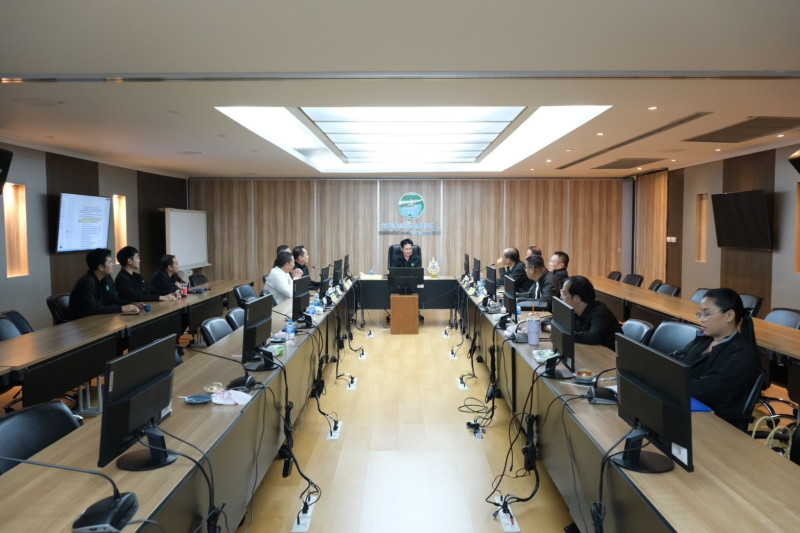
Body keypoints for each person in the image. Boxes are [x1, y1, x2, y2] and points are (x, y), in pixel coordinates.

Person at [671, 288, 760, 429]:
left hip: (713, 422)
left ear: (729, 316)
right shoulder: (705, 339)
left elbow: (705, 389)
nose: (701, 319)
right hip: (684, 404)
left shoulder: (741, 354)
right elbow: (677, 359)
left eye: (707, 314)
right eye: (700, 313)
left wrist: (667, 378)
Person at [68, 248, 140, 319]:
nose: (113, 265)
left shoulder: (107, 278)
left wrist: (132, 304)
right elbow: (93, 309)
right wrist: (122, 308)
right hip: (81, 321)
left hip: (99, 318)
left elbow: (114, 299)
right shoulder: (86, 282)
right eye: (110, 262)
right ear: (101, 267)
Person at [558, 275, 621, 351]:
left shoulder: (600, 312)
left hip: (609, 355)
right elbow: (557, 320)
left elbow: (592, 337)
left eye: (564, 294)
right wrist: (548, 326)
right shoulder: (574, 310)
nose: (561, 298)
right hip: (591, 350)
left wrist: (564, 333)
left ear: (576, 298)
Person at [115, 246, 179, 302]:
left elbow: (152, 290)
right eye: (137, 258)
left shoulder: (137, 276)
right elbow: (135, 297)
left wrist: (170, 294)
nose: (139, 260)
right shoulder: (121, 279)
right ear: (129, 261)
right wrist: (160, 297)